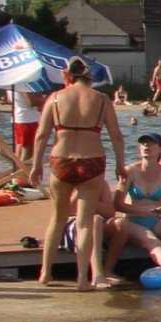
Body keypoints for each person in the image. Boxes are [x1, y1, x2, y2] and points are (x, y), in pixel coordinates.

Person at [37, 57, 122, 289]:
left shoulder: (55, 98)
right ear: (90, 78)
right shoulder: (102, 100)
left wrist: (36, 165)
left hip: (61, 159)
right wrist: (120, 164)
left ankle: (46, 273)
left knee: (57, 218)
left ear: (68, 77)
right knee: (85, 223)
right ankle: (83, 279)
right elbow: (116, 136)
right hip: (92, 160)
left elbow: (42, 135)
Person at [103, 133, 161, 271]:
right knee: (152, 240)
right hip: (134, 220)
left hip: (157, 220)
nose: (146, 146)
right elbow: (118, 204)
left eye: (151, 143)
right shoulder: (130, 171)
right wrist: (142, 211)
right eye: (143, 143)